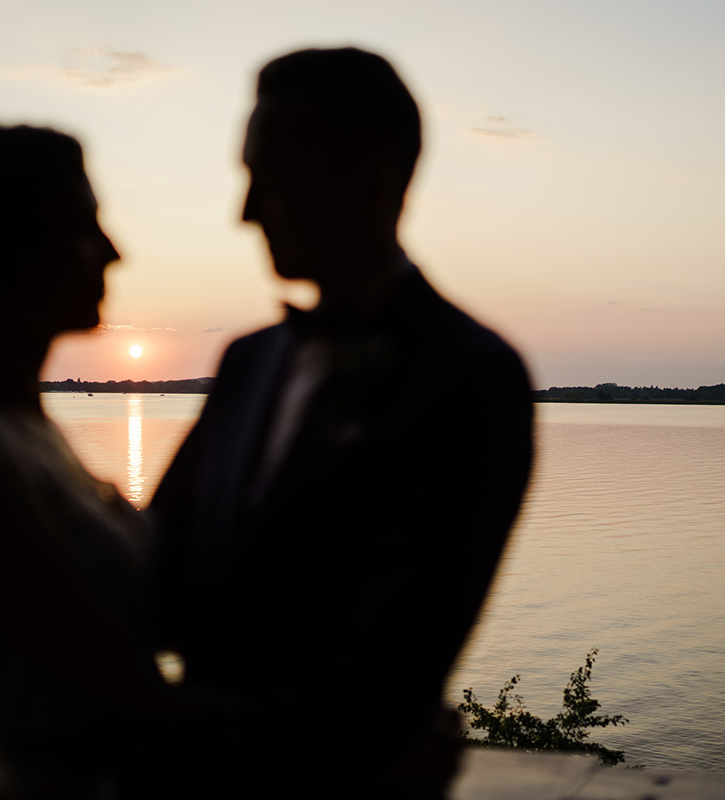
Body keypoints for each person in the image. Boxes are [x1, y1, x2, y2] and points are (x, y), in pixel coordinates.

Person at [149, 48, 535, 797]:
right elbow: (159, 589)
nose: (246, 211)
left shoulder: (471, 378)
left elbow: (383, 688)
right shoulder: (245, 362)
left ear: (372, 173)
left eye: (271, 175)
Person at [0, 122, 243, 798]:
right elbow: (122, 710)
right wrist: (361, 740)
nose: (114, 253)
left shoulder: (20, 429)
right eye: (83, 228)